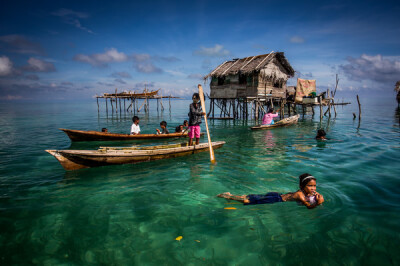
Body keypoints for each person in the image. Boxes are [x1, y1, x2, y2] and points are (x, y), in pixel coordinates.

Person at [217, 173, 324, 209]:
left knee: (253, 198)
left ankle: (235, 196)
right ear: (302, 186)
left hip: (278, 195)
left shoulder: (307, 193)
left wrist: (318, 199)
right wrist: (318, 203)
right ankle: (228, 196)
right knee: (247, 201)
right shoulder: (300, 195)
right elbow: (308, 207)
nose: (313, 188)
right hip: (276, 198)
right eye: (310, 186)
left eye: (314, 186)